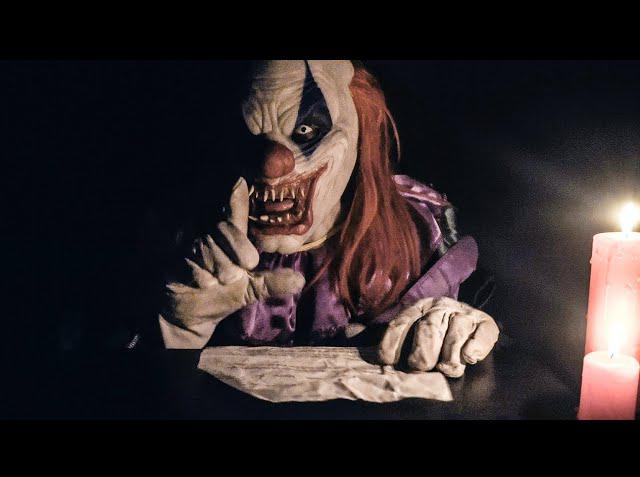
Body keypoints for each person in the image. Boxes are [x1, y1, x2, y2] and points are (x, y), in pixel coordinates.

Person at [158, 60, 499, 378]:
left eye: (305, 129)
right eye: (248, 135)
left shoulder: (416, 232)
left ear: (360, 132)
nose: (271, 165)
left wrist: (460, 328)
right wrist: (177, 332)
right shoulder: (181, 235)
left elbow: (467, 355)